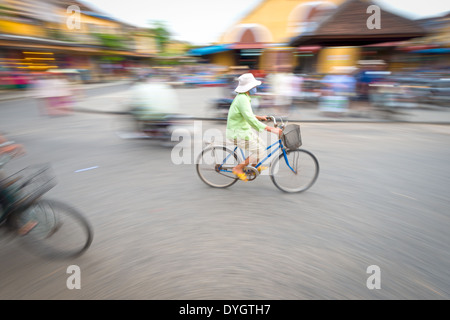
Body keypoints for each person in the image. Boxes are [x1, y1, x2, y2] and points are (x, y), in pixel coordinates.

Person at [226, 73, 282, 182]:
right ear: (249, 87)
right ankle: (237, 168)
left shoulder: (244, 97)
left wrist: (260, 117)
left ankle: (253, 167)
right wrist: (271, 129)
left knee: (261, 146)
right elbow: (250, 119)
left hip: (243, 130)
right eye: (254, 86)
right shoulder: (242, 99)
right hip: (238, 133)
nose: (255, 88)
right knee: (260, 151)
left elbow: (247, 114)